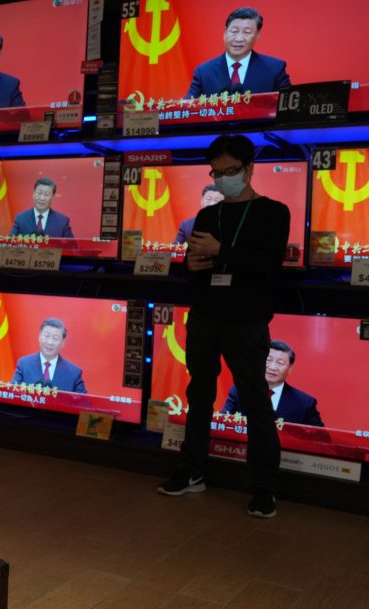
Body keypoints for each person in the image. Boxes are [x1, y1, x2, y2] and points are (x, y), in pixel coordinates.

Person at [158, 134, 290, 519]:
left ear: (249, 169)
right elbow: (193, 266)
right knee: (199, 393)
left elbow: (267, 265)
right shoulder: (206, 214)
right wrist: (192, 266)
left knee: (254, 399)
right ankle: (192, 469)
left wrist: (221, 252)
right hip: (204, 314)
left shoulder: (273, 212)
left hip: (247, 320)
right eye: (216, 172)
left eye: (230, 171)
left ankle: (264, 486)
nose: (222, 179)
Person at [186, 7, 291, 98]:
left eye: (247, 32)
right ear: (225, 33)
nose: (239, 38)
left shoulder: (275, 69)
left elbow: (288, 111)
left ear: (257, 35)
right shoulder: (204, 72)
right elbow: (188, 110)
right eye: (234, 31)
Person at [220, 340, 324, 426]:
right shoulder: (239, 391)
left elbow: (321, 439)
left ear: (290, 368)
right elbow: (222, 423)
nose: (272, 367)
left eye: (280, 363)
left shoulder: (305, 403)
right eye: (268, 360)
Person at [11, 318, 86, 393]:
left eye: (55, 338)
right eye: (46, 336)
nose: (50, 342)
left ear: (63, 342)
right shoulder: (24, 365)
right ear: (39, 336)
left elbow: (83, 403)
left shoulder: (74, 373)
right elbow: (12, 395)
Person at [10, 177, 74, 238]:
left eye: (46, 194)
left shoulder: (62, 222)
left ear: (53, 198)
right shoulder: (21, 219)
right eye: (39, 193)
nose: (42, 198)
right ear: (33, 194)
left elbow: (72, 247)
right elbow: (9, 244)